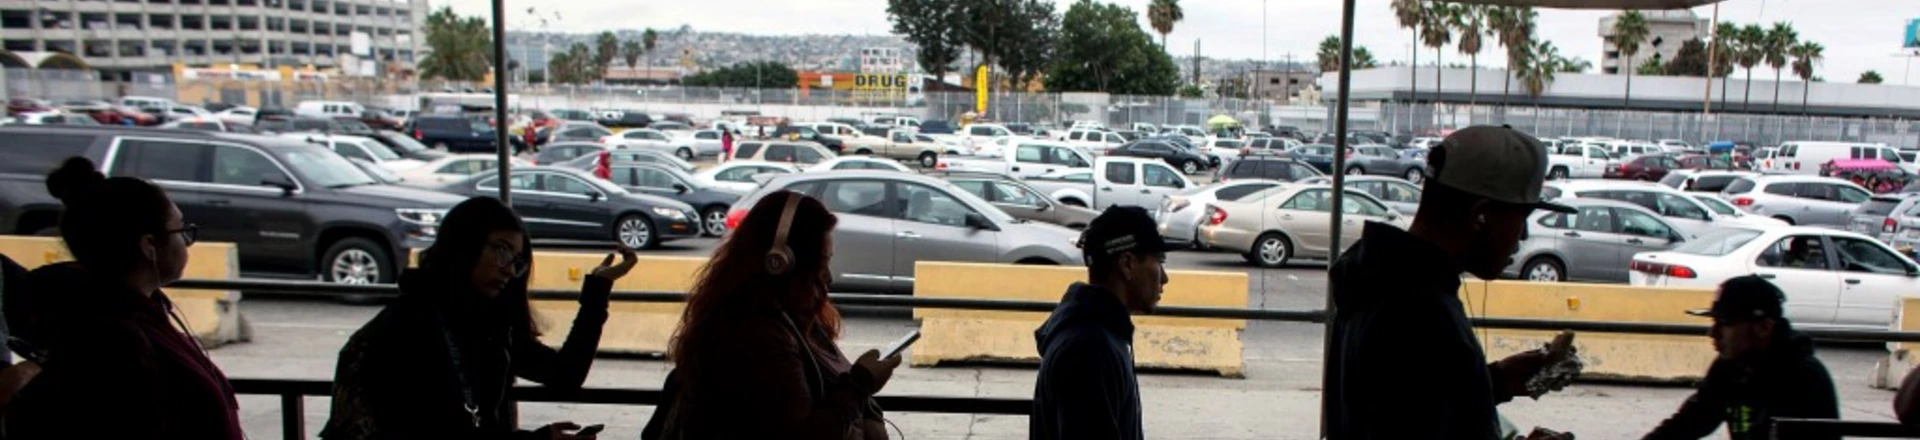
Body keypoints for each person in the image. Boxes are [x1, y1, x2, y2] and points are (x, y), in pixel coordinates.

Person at [1326, 126, 1578, 440]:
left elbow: (1410, 403)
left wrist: (1495, 381)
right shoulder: (1425, 314)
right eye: (1520, 218)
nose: (1523, 236)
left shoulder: (1376, 275)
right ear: (1481, 216)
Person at [320, 197, 636, 440]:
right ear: (463, 246)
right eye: (500, 250)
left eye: (517, 259)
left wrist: (597, 290)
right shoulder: (407, 329)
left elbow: (564, 375)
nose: (509, 269)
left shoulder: (489, 323)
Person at [3, 157, 242, 439]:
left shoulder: (130, 317)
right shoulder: (117, 338)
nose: (186, 242)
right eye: (180, 231)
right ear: (149, 246)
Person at [655, 191, 897, 439]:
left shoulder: (794, 318)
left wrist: (865, 407)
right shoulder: (754, 334)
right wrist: (859, 385)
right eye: (821, 262)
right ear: (781, 262)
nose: (828, 276)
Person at [1642, 276, 1838, 440]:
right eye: (1714, 322)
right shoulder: (1729, 368)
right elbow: (1689, 422)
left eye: (1725, 323)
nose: (1713, 333)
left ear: (1763, 328)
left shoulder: (1803, 377)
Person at [1031, 206, 1168, 440]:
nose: (1164, 277)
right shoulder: (1091, 349)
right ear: (1127, 263)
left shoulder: (1098, 334)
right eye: (1159, 261)